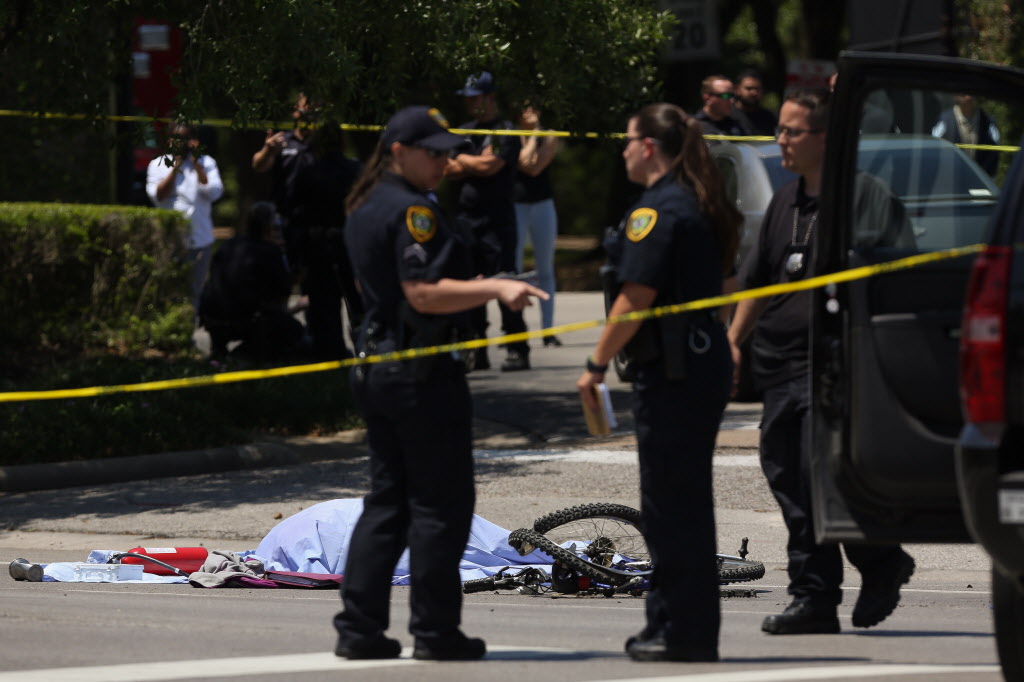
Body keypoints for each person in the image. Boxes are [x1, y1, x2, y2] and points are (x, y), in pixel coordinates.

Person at [333, 105, 547, 661]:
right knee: (438, 506)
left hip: (382, 365)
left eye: (446, 151)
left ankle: (359, 629)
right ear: (398, 151)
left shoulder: (366, 202)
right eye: (432, 152)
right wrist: (495, 288)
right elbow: (422, 293)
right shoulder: (410, 212)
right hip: (419, 372)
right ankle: (434, 631)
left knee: (388, 502)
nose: (443, 161)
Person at [727, 88, 916, 635]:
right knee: (787, 474)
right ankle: (879, 562)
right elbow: (757, 282)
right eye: (780, 130)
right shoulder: (785, 201)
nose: (780, 140)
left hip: (834, 366)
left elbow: (894, 281)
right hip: (779, 365)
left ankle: (816, 594)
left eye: (792, 131)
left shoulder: (865, 198)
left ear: (826, 138)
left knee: (821, 476)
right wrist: (735, 343)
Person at [577, 103, 741, 662]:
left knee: (672, 504)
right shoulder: (696, 198)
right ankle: (681, 626)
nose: (621, 149)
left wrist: (596, 364)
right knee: (684, 500)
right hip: (695, 363)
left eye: (627, 140)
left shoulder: (657, 210)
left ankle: (680, 630)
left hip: (674, 373)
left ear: (649, 146)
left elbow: (635, 297)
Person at [445, 71, 531, 371]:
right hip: (466, 219)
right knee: (470, 285)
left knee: (505, 281)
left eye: (475, 98)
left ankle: (517, 348)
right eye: (467, 99)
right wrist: (474, 161)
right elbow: (448, 168)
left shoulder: (505, 129)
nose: (470, 104)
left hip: (498, 220)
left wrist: (466, 161)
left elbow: (490, 166)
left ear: (490, 97)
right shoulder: (464, 131)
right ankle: (475, 348)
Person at [288, 121, 363, 359]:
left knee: (323, 306)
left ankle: (330, 356)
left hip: (317, 244)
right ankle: (366, 351)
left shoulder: (308, 170)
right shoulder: (355, 170)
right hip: (349, 242)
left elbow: (294, 209)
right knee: (358, 303)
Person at [198, 202, 304, 361]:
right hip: (246, 321)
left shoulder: (228, 245)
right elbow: (281, 291)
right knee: (294, 330)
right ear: (267, 228)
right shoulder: (269, 251)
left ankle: (221, 353)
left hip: (211, 317)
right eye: (276, 227)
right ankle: (243, 356)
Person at [146, 122, 224, 308]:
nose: (181, 144)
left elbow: (214, 193)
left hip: (200, 240)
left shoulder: (207, 162)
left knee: (193, 291)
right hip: (170, 239)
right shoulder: (158, 164)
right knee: (168, 289)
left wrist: (196, 163)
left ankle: (189, 332)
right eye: (177, 139)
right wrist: (175, 167)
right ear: (170, 140)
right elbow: (157, 196)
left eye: (186, 139)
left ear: (194, 141)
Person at [251, 93, 318, 268]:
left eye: (315, 108)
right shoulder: (283, 141)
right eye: (307, 107)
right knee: (283, 270)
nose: (311, 112)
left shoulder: (323, 143)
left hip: (316, 220)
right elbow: (258, 165)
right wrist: (268, 150)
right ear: (296, 111)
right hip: (285, 217)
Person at [514, 102, 562, 346]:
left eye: (533, 107)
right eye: (524, 108)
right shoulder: (509, 133)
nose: (529, 112)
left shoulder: (549, 136)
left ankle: (548, 330)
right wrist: (530, 135)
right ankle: (515, 332)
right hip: (516, 204)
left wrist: (536, 134)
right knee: (515, 268)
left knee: (545, 268)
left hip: (542, 204)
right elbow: (523, 161)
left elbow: (534, 168)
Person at [932, 94, 1001, 176]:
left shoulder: (988, 122)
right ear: (955, 96)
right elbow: (933, 147)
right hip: (949, 179)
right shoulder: (945, 121)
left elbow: (994, 151)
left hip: (978, 181)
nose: (968, 97)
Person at [732, 69, 777, 136]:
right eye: (749, 88)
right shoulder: (728, 116)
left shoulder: (769, 118)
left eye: (757, 88)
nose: (754, 92)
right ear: (737, 90)